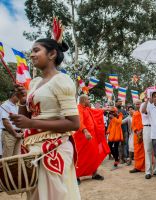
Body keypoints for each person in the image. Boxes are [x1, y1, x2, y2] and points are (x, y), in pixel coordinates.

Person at [11, 36, 81, 199]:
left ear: (52, 54)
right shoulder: (35, 83)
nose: (32, 55)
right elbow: (25, 119)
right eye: (32, 51)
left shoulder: (62, 81)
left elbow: (74, 123)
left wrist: (31, 122)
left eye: (36, 50)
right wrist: (22, 101)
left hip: (54, 147)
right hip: (32, 147)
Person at [73, 95, 109, 185]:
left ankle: (94, 173)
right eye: (89, 99)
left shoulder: (87, 109)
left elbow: (97, 111)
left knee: (94, 154)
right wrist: (85, 131)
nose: (90, 101)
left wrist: (107, 109)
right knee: (80, 156)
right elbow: (79, 121)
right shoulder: (79, 108)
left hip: (92, 137)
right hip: (83, 137)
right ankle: (76, 176)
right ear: (84, 100)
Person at [140, 93, 156, 180]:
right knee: (148, 150)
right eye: (151, 96)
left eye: (154, 96)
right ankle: (148, 171)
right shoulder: (144, 105)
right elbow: (143, 111)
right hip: (147, 128)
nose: (153, 97)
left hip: (155, 129)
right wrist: (147, 101)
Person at [1, 91, 23, 157]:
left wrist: (20, 131)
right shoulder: (5, 105)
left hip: (18, 134)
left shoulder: (17, 106)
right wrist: (15, 134)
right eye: (18, 96)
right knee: (8, 157)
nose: (20, 98)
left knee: (16, 157)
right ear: (13, 96)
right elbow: (6, 122)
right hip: (9, 134)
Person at [129, 100, 145, 173]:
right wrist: (136, 131)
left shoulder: (144, 112)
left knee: (144, 151)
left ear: (141, 104)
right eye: (136, 104)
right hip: (136, 134)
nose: (137, 105)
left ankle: (144, 167)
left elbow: (145, 122)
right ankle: (137, 167)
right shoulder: (135, 113)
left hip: (144, 133)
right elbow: (133, 124)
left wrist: (141, 131)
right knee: (137, 151)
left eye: (139, 104)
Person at [115, 98, 128, 164]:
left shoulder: (123, 110)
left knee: (125, 144)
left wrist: (120, 116)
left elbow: (127, 117)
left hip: (124, 129)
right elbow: (113, 118)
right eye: (119, 102)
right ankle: (120, 158)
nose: (120, 103)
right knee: (119, 145)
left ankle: (125, 157)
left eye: (121, 102)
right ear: (116, 102)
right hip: (117, 130)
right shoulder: (114, 110)